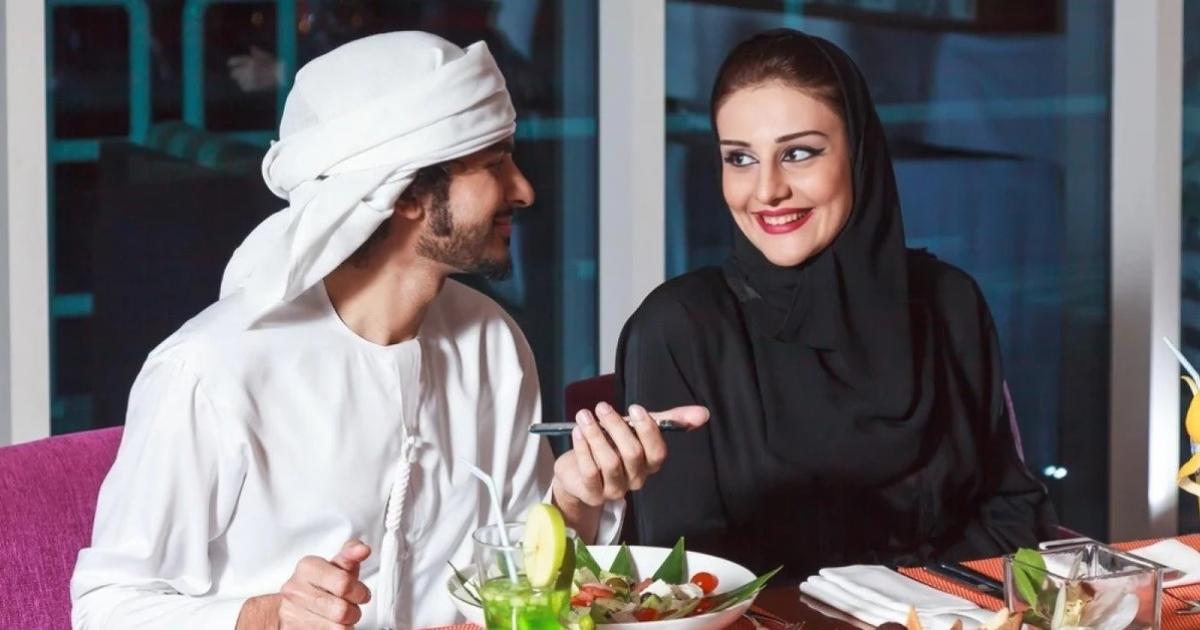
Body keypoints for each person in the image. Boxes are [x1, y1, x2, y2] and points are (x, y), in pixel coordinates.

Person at [71, 32, 707, 630]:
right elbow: (105, 607)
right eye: (494, 163)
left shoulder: (492, 341)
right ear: (404, 194)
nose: (524, 190)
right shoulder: (211, 369)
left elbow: (517, 580)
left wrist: (575, 497)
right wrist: (271, 614)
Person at [616, 29, 1057, 580]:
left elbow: (1012, 515)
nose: (767, 190)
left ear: (859, 154)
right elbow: (686, 575)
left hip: (946, 615)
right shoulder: (679, 327)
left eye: (798, 153)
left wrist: (909, 604)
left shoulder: (950, 302)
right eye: (740, 158)